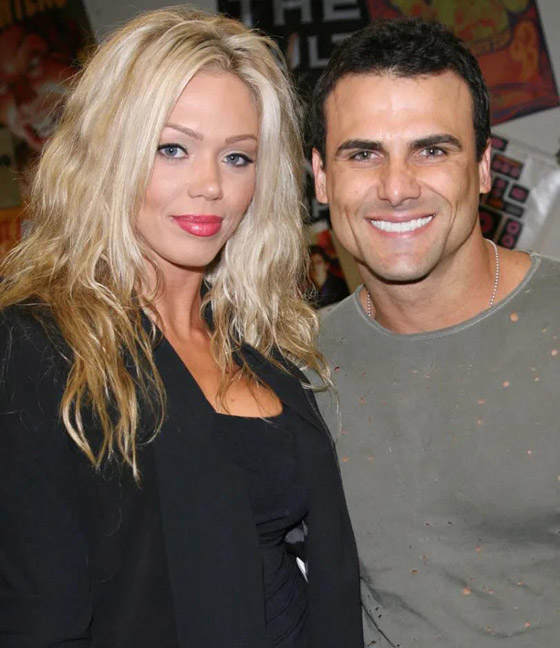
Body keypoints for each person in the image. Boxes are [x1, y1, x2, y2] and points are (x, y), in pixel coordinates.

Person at [0, 7, 363, 646]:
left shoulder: (261, 341)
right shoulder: (40, 345)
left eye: (238, 157)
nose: (210, 186)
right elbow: (38, 616)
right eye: (173, 148)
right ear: (109, 154)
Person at [309, 17, 560, 648]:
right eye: (363, 154)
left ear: (483, 167)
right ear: (320, 177)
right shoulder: (296, 366)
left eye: (432, 150)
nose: (397, 188)